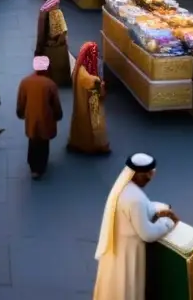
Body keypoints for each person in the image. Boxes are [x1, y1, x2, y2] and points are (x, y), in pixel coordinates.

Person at [92, 154, 179, 300]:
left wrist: (159, 208)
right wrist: (167, 223)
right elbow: (148, 234)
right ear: (137, 175)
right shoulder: (136, 199)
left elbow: (142, 209)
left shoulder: (123, 188)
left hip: (116, 248)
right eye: (147, 175)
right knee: (127, 287)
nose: (149, 179)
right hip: (129, 252)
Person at [16, 56, 64, 179]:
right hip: (46, 119)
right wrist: (58, 115)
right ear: (47, 68)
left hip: (31, 118)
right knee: (43, 142)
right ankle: (40, 167)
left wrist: (20, 113)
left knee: (33, 140)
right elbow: (55, 105)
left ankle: (33, 166)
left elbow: (21, 101)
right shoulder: (50, 84)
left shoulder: (25, 82)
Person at [68, 42, 110, 154]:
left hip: (80, 100)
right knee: (92, 123)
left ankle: (77, 142)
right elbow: (95, 85)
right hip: (88, 102)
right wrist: (100, 84)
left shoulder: (79, 68)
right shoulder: (86, 76)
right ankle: (91, 146)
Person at [34, 0, 72, 87]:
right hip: (56, 47)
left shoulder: (43, 13)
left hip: (47, 45)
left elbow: (42, 34)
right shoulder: (56, 13)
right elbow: (63, 31)